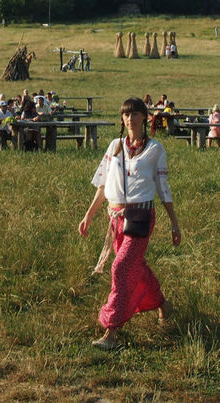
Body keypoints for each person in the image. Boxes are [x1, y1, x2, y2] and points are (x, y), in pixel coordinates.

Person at [78, 97, 180, 351]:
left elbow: (163, 188)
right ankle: (164, 305)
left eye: (135, 114)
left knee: (121, 268)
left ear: (145, 118)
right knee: (137, 267)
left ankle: (110, 331)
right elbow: (103, 185)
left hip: (141, 218)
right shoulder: (114, 146)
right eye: (126, 114)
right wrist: (89, 215)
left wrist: (174, 223)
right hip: (115, 219)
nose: (130, 119)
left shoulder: (155, 150)